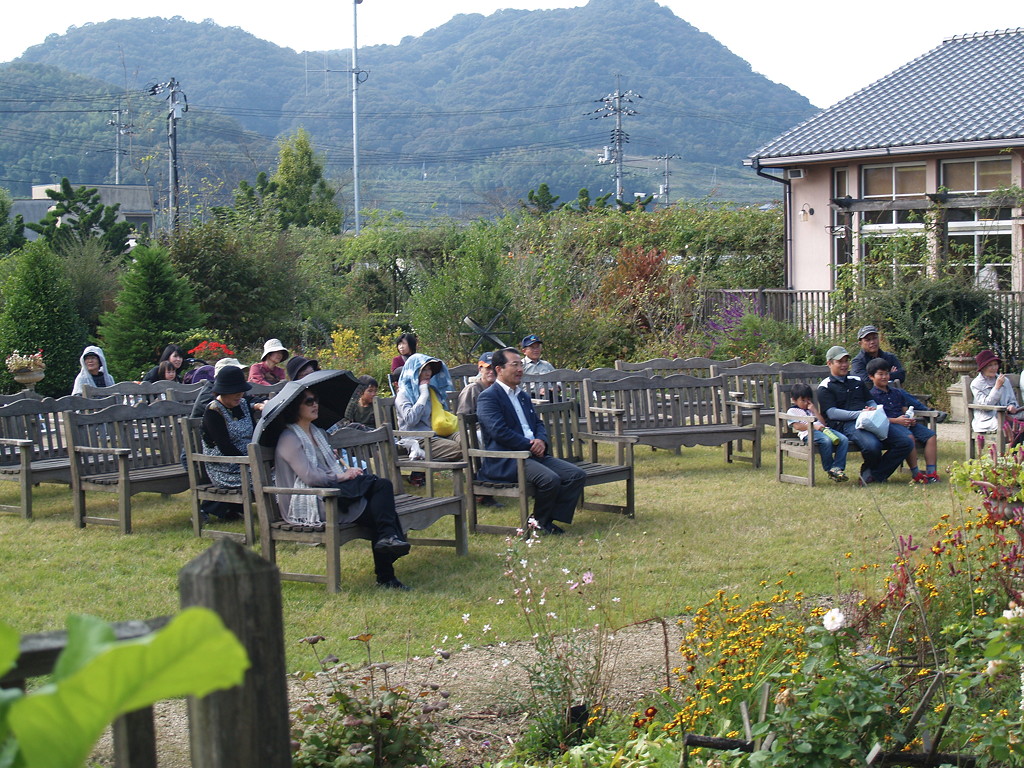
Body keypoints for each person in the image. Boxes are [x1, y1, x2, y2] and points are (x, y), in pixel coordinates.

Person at [274, 387, 411, 590]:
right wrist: (340, 475)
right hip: (312, 499)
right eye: (309, 401)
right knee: (379, 488)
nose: (315, 405)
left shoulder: (317, 433)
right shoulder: (289, 438)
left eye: (316, 400)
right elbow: (310, 477)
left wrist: (344, 468)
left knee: (379, 501)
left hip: (331, 491)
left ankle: (388, 548)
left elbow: (328, 467)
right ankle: (387, 565)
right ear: (296, 408)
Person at [476, 347, 585, 534]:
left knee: (576, 475)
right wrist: (529, 445)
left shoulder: (523, 396)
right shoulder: (489, 397)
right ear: (499, 369)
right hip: (507, 459)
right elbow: (498, 431)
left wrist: (541, 441)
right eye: (514, 365)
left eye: (520, 365)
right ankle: (540, 524)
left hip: (531, 454)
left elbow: (537, 424)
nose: (520, 369)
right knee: (549, 479)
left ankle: (544, 520)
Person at [817, 345, 913, 486]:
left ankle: (875, 474)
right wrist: (859, 413)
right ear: (829, 363)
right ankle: (870, 474)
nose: (844, 365)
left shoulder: (856, 380)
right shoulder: (825, 386)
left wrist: (873, 408)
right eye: (840, 362)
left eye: (846, 361)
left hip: (870, 419)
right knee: (872, 446)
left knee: (905, 442)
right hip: (846, 424)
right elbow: (832, 413)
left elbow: (870, 400)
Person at [200, 366, 260, 521]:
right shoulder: (213, 411)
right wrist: (251, 462)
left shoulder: (243, 404)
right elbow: (225, 447)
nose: (240, 395)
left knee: (280, 470)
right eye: (235, 392)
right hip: (226, 467)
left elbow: (254, 434)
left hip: (249, 462)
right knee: (269, 477)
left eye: (241, 391)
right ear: (223, 391)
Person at [867, 358, 939, 483]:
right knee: (909, 438)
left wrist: (910, 418)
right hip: (889, 425)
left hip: (905, 423)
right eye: (880, 374)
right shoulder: (871, 395)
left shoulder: (897, 392)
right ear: (871, 377)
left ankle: (931, 472)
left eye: (886, 373)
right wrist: (897, 420)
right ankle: (916, 473)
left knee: (931, 436)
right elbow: (875, 418)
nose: (884, 377)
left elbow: (905, 409)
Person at [850, 325, 942, 419]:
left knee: (897, 392)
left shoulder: (889, 357)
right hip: (872, 398)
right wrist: (890, 375)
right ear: (860, 343)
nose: (872, 342)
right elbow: (865, 381)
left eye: (874, 338)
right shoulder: (858, 361)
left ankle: (927, 413)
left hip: (892, 395)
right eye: (868, 340)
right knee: (897, 391)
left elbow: (901, 376)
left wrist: (881, 377)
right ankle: (927, 412)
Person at [395, 353, 462, 462]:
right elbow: (411, 420)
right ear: (414, 372)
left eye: (429, 370)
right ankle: (419, 453)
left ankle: (480, 475)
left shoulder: (431, 390)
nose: (428, 373)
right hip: (419, 439)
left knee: (468, 440)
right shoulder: (403, 395)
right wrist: (423, 396)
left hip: (439, 434)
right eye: (424, 370)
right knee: (459, 449)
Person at [785, 383, 849, 482]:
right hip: (809, 433)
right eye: (803, 400)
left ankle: (837, 468)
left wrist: (815, 411)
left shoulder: (811, 409)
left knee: (844, 439)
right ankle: (829, 468)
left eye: (808, 399)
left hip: (825, 429)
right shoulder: (792, 411)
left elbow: (823, 423)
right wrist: (813, 426)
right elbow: (797, 426)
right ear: (794, 400)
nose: (806, 403)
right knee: (826, 440)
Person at [971, 349, 1024, 440]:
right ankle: (1014, 453)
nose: (994, 368)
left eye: (995, 364)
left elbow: (1012, 401)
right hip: (989, 419)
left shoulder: (1005, 380)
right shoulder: (976, 384)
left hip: (1009, 416)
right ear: (982, 368)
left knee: (1019, 425)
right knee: (1018, 428)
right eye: (990, 365)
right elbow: (986, 405)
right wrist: (996, 387)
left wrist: (1011, 406)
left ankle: (1017, 453)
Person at [456, 351, 496, 417]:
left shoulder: (500, 388)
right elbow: (462, 417)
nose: (491, 371)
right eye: (488, 368)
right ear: (480, 369)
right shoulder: (471, 389)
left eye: (494, 368)